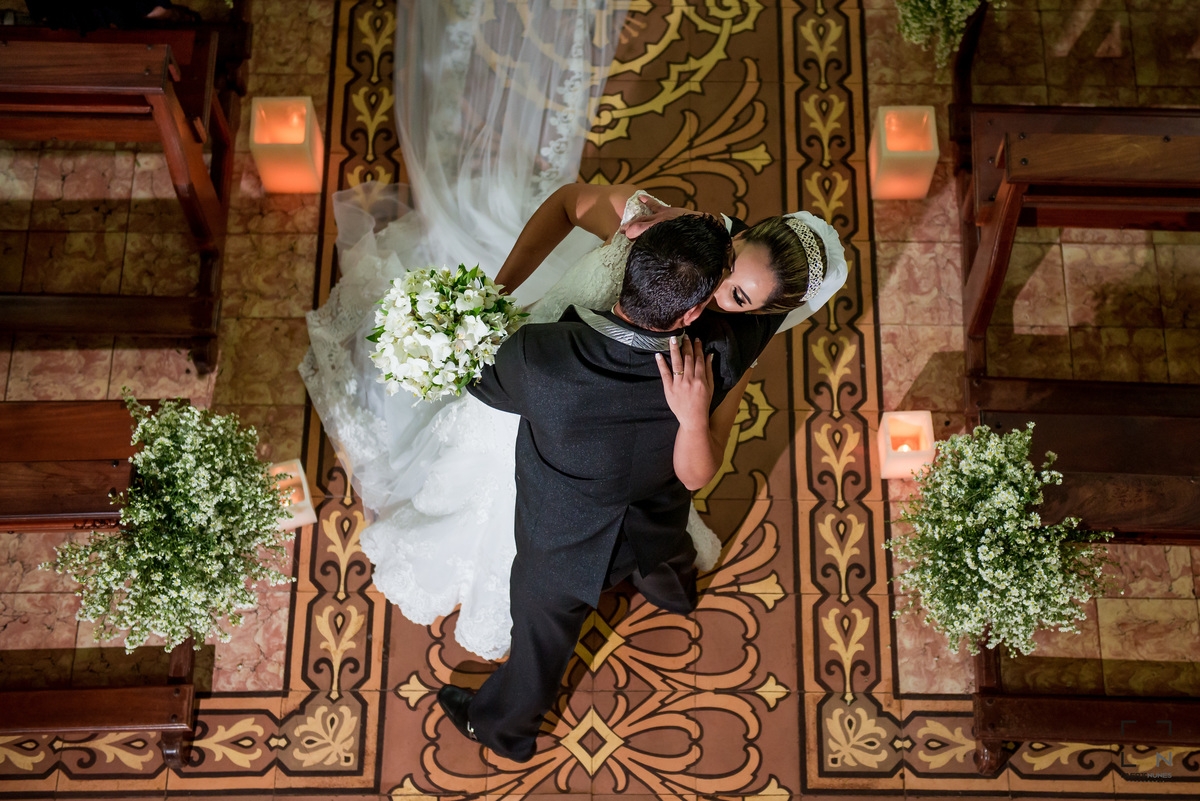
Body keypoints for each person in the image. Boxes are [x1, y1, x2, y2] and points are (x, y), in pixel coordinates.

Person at [299, 1, 849, 659]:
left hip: (589, 461)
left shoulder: (733, 346)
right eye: (727, 261)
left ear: (757, 313)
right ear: (734, 233)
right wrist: (500, 289)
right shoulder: (658, 227)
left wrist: (693, 416)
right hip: (528, 363)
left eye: (734, 295)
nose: (711, 285)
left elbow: (699, 469)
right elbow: (565, 205)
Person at [435, 213, 748, 763]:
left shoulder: (538, 355)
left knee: (541, 642)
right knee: (665, 557)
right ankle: (675, 595)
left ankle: (505, 731)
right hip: (657, 514)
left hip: (560, 544)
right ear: (694, 312)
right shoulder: (715, 355)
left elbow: (473, 377)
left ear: (630, 266)